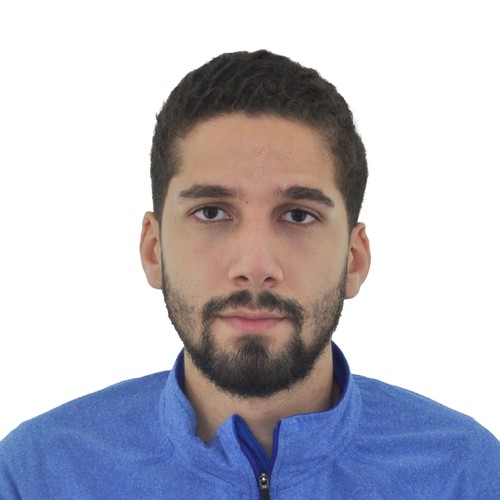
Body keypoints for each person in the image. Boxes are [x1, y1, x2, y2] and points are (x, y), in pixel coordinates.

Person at [0, 50, 498, 499]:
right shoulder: (36, 475)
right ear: (154, 250)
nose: (255, 267)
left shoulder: (468, 475)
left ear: (354, 259)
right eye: (212, 212)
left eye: (298, 215)